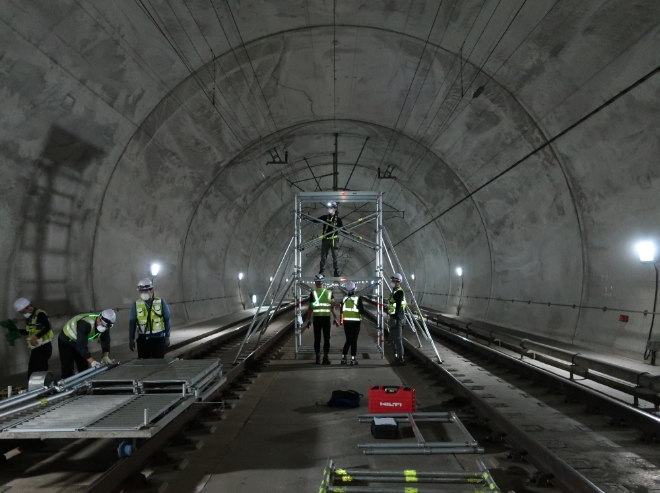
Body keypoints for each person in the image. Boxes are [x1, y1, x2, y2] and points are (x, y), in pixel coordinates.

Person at [58, 309, 115, 378]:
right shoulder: (86, 324)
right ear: (99, 318)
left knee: (83, 366)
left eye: (106, 326)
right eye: (103, 325)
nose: (104, 328)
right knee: (67, 368)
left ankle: (84, 385)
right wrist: (92, 362)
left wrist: (105, 356)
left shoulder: (106, 325)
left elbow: (105, 340)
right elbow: (81, 347)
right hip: (66, 340)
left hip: (78, 340)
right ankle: (64, 385)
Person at [129, 278, 171, 359]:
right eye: (141, 291)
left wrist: (167, 336)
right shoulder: (136, 304)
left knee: (159, 364)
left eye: (145, 291)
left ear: (151, 290)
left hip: (158, 339)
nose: (143, 293)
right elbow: (132, 322)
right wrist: (131, 339)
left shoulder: (161, 302)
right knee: (144, 365)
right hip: (143, 340)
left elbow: (167, 319)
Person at [13, 297, 54, 380]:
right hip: (36, 348)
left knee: (40, 371)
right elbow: (30, 332)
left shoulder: (40, 314)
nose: (23, 314)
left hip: (44, 347)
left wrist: (36, 337)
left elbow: (47, 327)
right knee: (32, 371)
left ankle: (42, 389)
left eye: (23, 311)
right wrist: (17, 331)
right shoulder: (30, 318)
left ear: (28, 307)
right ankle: (33, 389)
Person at [305, 273, 338, 364]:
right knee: (327, 339)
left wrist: (308, 320)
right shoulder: (329, 293)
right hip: (326, 319)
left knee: (317, 339)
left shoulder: (313, 293)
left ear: (315, 283)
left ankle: (317, 357)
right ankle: (325, 357)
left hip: (317, 319)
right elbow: (332, 307)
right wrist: (335, 318)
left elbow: (310, 308)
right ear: (323, 282)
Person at [340, 282, 366, 366]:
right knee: (353, 341)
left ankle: (343, 358)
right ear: (355, 289)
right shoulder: (358, 299)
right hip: (355, 322)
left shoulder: (344, 299)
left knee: (348, 340)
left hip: (346, 322)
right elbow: (362, 311)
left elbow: (341, 310)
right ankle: (353, 359)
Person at [318, 202, 343, 277]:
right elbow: (316, 220)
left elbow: (342, 229)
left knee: (335, 256)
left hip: (334, 240)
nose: (330, 209)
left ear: (335, 209)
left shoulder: (338, 220)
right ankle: (321, 271)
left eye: (331, 208)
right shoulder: (325, 217)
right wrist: (307, 216)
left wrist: (348, 233)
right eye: (329, 208)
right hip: (325, 239)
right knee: (323, 256)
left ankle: (336, 270)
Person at [387, 273, 407, 365]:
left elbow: (398, 306)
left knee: (398, 339)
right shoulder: (395, 291)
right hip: (394, 318)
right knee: (392, 339)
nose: (391, 282)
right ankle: (396, 357)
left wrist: (395, 318)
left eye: (393, 280)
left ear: (398, 282)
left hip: (398, 319)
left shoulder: (399, 292)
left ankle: (401, 359)